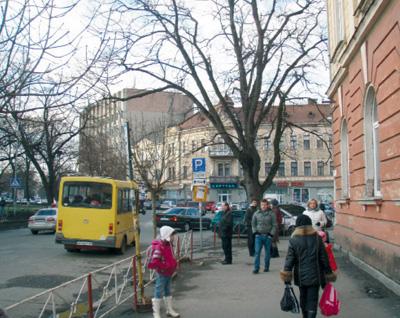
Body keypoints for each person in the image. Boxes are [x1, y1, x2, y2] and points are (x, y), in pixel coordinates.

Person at [280, 215, 336, 318]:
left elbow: (290, 260)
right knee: (312, 300)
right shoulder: (317, 238)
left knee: (303, 297)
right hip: (316, 274)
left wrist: (287, 276)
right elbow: (324, 258)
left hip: (301, 276)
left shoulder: (294, 240)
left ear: (297, 226)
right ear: (310, 225)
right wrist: (328, 273)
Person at [148, 226, 180, 318]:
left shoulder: (168, 244)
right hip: (162, 272)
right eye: (172, 235)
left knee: (168, 290)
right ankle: (156, 313)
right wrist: (165, 267)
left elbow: (170, 257)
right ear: (167, 235)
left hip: (168, 272)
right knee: (159, 291)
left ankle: (169, 310)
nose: (174, 237)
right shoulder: (160, 246)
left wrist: (172, 266)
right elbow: (155, 261)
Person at [251, 199, 277, 274]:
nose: (263, 206)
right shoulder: (256, 213)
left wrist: (271, 234)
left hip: (267, 236)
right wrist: (255, 232)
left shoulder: (271, 214)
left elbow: (274, 225)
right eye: (262, 205)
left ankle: (266, 267)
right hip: (258, 236)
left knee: (267, 253)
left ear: (267, 205)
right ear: (260, 205)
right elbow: (253, 224)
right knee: (257, 252)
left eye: (265, 205)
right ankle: (256, 268)